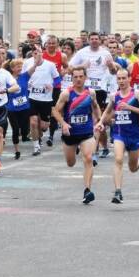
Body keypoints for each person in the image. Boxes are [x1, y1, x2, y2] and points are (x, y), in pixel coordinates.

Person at [52, 66, 104, 204]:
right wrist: (63, 123)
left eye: (81, 76)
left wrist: (99, 120)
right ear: (72, 78)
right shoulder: (66, 94)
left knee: (87, 158)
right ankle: (74, 149)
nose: (78, 79)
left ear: (85, 77)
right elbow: (55, 111)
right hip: (70, 133)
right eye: (76, 77)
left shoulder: (90, 93)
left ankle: (87, 190)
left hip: (86, 132)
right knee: (70, 163)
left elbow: (95, 106)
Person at [103, 68, 139, 203]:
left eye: (124, 78)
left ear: (129, 78)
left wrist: (130, 108)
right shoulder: (114, 96)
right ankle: (118, 192)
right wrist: (100, 123)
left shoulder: (137, 93)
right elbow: (106, 112)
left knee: (133, 168)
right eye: (119, 78)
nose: (121, 81)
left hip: (134, 135)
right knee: (118, 159)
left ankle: (137, 162)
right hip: (119, 134)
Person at [69, 32, 116, 157]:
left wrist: (111, 66)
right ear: (89, 40)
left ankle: (103, 147)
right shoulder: (82, 52)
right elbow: (70, 68)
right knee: (85, 117)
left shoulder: (105, 53)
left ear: (100, 41)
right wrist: (82, 66)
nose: (94, 41)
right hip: (85, 88)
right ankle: (87, 145)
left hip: (100, 89)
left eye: (96, 39)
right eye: (92, 39)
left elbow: (113, 72)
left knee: (98, 120)